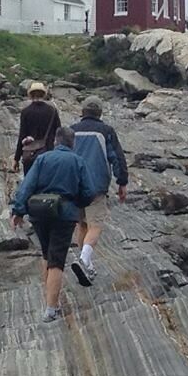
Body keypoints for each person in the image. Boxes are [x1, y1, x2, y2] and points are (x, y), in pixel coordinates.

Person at [10, 128, 104, 322]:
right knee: (57, 260)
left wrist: (18, 210)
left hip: (38, 212)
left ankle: (49, 299)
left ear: (55, 142)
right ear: (72, 144)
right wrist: (76, 204)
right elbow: (89, 192)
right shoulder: (78, 161)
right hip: (64, 214)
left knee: (46, 254)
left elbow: (27, 185)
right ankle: (51, 309)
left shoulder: (43, 159)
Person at [66, 97, 129, 287]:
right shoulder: (106, 131)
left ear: (82, 111)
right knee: (95, 226)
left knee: (82, 225)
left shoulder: (72, 131)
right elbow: (117, 157)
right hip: (96, 186)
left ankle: (85, 262)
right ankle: (84, 259)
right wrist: (122, 181)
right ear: (100, 113)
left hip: (74, 186)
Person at [14, 81, 60, 173]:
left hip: (30, 154)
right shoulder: (52, 111)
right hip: (49, 152)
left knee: (30, 183)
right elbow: (59, 132)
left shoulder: (26, 112)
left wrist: (17, 158)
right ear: (44, 94)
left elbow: (22, 135)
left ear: (30, 95)